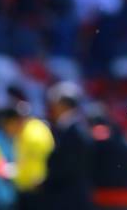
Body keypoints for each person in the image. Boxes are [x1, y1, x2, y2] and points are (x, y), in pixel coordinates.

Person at [45, 81, 94, 210]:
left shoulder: (75, 131)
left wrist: (46, 180)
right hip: (72, 195)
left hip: (70, 197)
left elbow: (68, 166)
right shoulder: (75, 128)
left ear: (63, 105)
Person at [0, 101, 54, 209]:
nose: (6, 130)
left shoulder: (34, 133)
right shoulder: (23, 133)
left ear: (15, 121)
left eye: (6, 125)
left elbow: (47, 161)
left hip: (37, 193)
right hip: (27, 190)